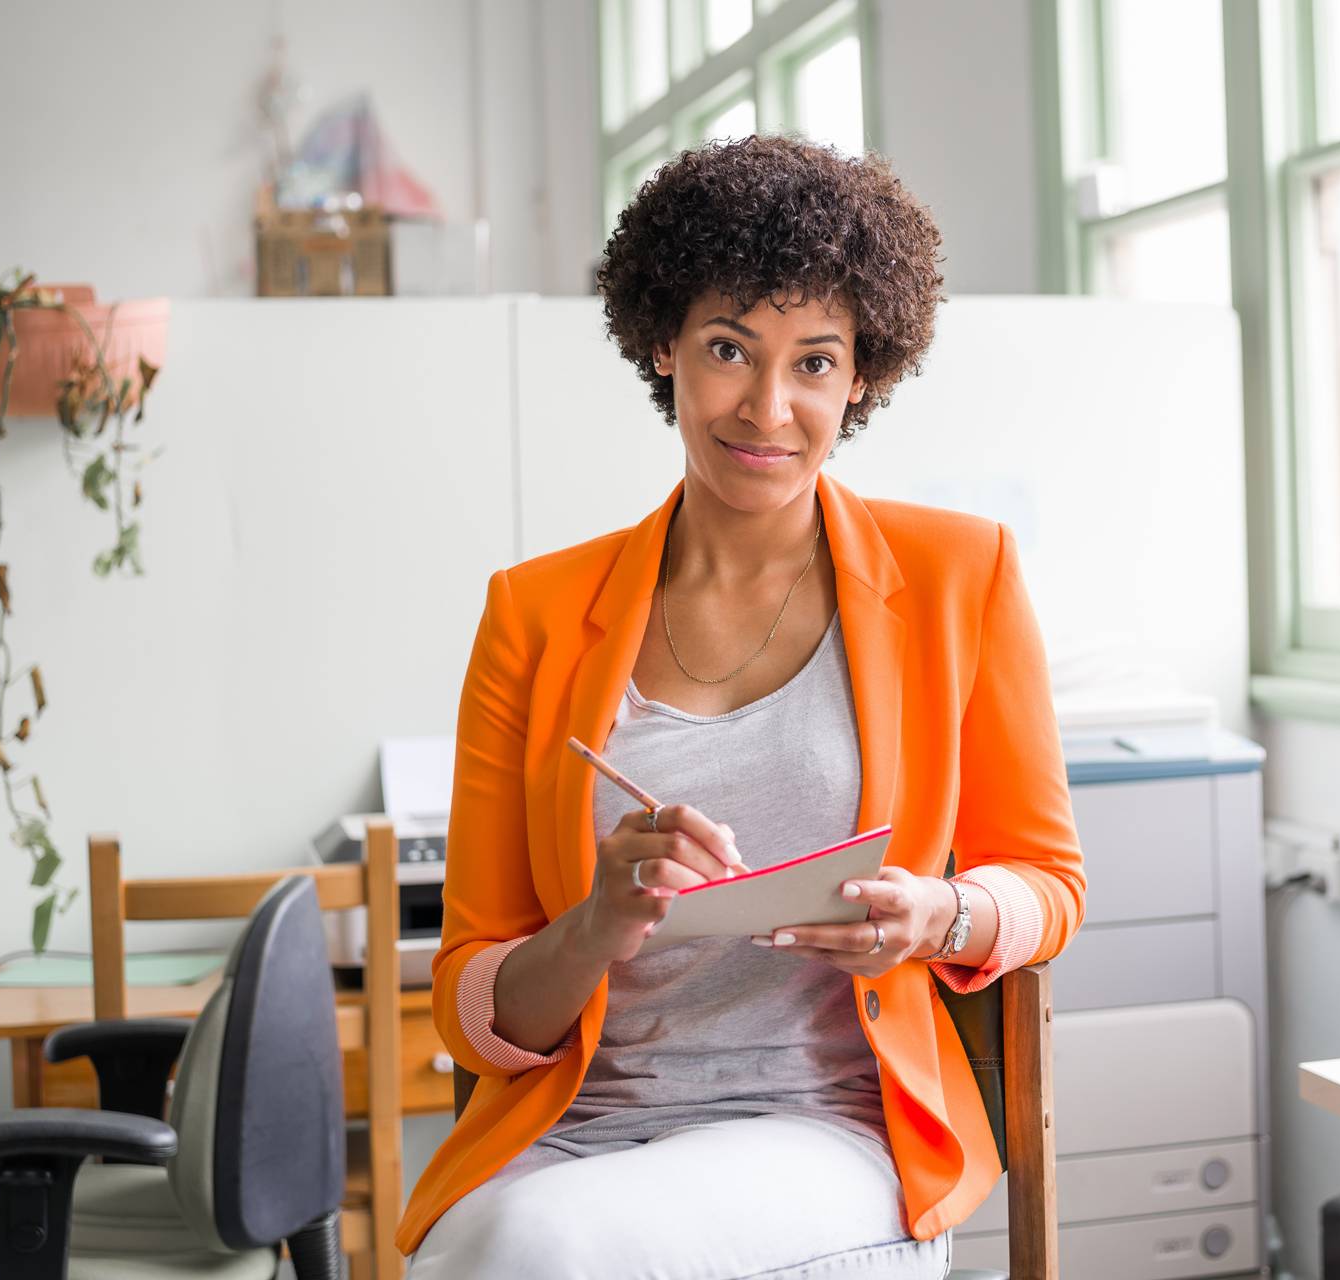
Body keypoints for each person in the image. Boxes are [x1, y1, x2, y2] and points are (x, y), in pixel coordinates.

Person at [398, 135, 1086, 1278]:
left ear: (863, 372)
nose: (768, 407)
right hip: (568, 1130)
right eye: (729, 349)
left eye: (814, 362)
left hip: (829, 1128)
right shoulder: (532, 612)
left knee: (526, 1249)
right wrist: (597, 923)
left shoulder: (961, 575)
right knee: (484, 1243)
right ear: (663, 344)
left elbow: (1048, 886)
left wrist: (940, 912)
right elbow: (474, 1003)